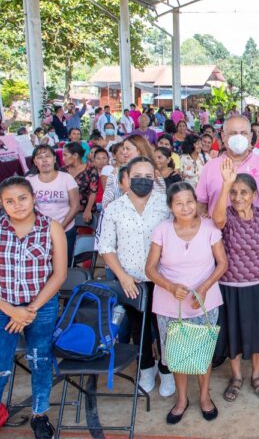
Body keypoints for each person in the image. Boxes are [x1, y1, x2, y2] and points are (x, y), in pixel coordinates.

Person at [0, 176, 67, 439]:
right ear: (1, 204)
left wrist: (30, 310)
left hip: (41, 307)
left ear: (34, 198)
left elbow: (58, 274)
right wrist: (11, 309)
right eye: (9, 201)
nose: (17, 205)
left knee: (40, 361)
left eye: (22, 198)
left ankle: (39, 414)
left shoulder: (51, 228)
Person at [143, 182, 227, 424]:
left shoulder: (210, 227)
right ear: (171, 206)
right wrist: (170, 287)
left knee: (202, 353)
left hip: (205, 301)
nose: (186, 207)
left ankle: (204, 397)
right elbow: (150, 268)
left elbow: (222, 263)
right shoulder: (162, 230)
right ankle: (181, 399)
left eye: (190, 201)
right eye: (179, 203)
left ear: (197, 203)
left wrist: (204, 286)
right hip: (170, 304)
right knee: (177, 355)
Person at [98, 157, 174, 396]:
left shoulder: (165, 205)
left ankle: (166, 370)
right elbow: (106, 247)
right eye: (138, 177)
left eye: (149, 177)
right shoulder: (114, 208)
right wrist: (122, 277)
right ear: (126, 180)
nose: (143, 181)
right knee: (139, 328)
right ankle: (146, 368)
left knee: (164, 327)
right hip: (131, 281)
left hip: (162, 279)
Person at [212, 164, 259, 402]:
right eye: (234, 192)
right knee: (234, 332)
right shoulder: (227, 217)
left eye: (244, 192)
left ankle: (256, 376)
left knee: (258, 332)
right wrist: (225, 185)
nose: (238, 197)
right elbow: (218, 219)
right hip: (231, 286)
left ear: (255, 195)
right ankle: (236, 377)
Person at [196, 116, 259, 216]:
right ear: (223, 136)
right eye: (233, 133)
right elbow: (201, 205)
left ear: (250, 136)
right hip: (217, 230)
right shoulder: (210, 167)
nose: (239, 137)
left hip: (255, 230)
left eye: (243, 133)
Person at [27, 146, 81, 263]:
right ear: (35, 162)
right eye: (40, 157)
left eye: (48, 156)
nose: (44, 160)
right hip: (38, 231)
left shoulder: (66, 178)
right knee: (40, 264)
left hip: (65, 229)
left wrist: (60, 228)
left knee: (63, 264)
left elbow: (75, 206)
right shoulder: (29, 181)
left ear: (55, 159)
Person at [102, 134, 156, 208]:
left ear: (139, 150)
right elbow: (106, 200)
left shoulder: (155, 172)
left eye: (127, 149)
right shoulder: (115, 173)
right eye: (123, 149)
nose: (124, 152)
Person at [62, 142, 98, 227]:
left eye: (65, 155)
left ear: (75, 155)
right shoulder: (63, 171)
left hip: (85, 211)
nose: (63, 158)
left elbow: (93, 192)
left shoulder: (90, 169)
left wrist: (88, 210)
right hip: (66, 212)